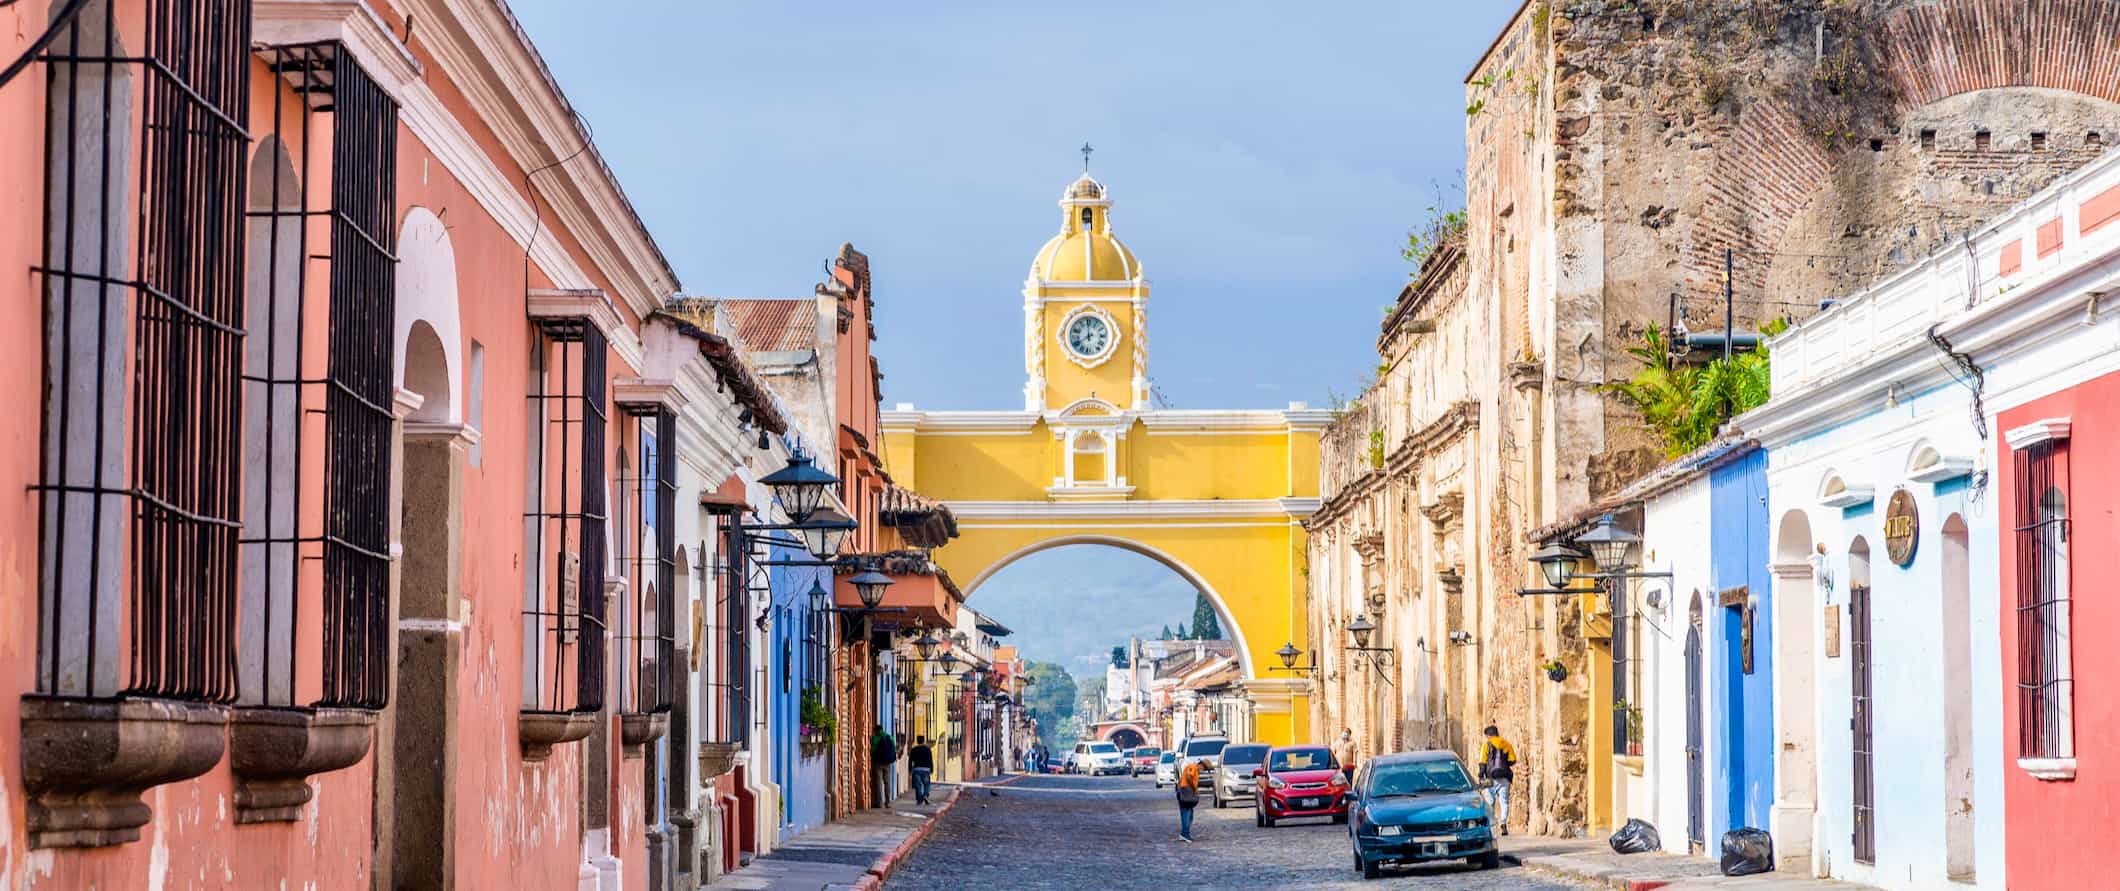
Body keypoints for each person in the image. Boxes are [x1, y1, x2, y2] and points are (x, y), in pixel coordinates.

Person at [1478, 724, 1517, 835]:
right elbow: (1513, 760)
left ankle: (1491, 825)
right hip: (1504, 777)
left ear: (1489, 735)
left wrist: (1481, 775)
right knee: (1504, 802)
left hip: (1490, 777)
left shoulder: (1486, 745)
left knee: (1490, 802)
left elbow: (1482, 762)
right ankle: (1503, 823)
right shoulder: (1506, 744)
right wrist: (1504, 763)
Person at [1175, 756, 1202, 842]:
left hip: (1183, 791)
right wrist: (1194, 788)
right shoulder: (1193, 767)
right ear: (1201, 765)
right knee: (1187, 813)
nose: (1203, 770)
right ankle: (1185, 834)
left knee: (1186, 813)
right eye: (1204, 768)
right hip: (1186, 792)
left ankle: (1184, 833)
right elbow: (1188, 776)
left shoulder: (1192, 767)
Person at [869, 724, 898, 806]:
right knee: (887, 783)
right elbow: (894, 748)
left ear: (876, 731)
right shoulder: (889, 737)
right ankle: (888, 802)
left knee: (879, 783)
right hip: (887, 763)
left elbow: (872, 751)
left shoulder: (875, 738)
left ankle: (879, 802)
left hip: (878, 763)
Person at [908, 735, 935, 805]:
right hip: (926, 769)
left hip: (917, 769)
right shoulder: (928, 749)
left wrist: (910, 769)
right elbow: (930, 760)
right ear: (924, 741)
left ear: (917, 741)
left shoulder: (914, 749)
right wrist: (932, 769)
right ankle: (925, 795)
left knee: (918, 785)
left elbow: (910, 760)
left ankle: (919, 799)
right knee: (927, 784)